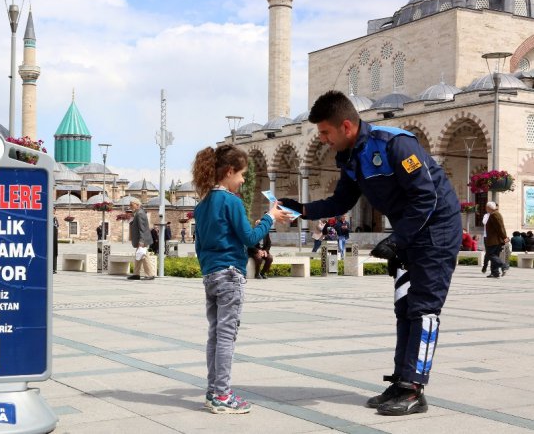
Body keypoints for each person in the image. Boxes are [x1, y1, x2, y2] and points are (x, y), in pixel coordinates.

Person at [280, 90, 461, 416]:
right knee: (405, 307)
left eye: (325, 132)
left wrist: (398, 239)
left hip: (436, 230)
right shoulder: (350, 158)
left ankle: (414, 388)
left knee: (424, 308)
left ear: (345, 126)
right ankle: (401, 380)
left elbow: (427, 197)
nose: (322, 140)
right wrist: (300, 208)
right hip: (410, 232)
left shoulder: (394, 143)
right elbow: (341, 202)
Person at [192, 144, 290, 414]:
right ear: (229, 171)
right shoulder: (231, 201)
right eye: (242, 174)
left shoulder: (202, 205)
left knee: (215, 334)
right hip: (230, 275)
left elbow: (200, 245)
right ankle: (223, 396)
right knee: (226, 336)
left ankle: (213, 392)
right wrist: (269, 218)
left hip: (211, 274)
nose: (244, 180)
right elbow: (249, 237)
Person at [127, 197, 155, 280]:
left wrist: (141, 241)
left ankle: (150, 274)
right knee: (138, 256)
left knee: (144, 256)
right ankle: (136, 274)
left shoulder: (140, 214)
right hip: (141, 239)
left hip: (142, 240)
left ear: (137, 205)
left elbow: (143, 228)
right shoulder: (138, 213)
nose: (130, 206)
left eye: (132, 205)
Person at [484, 201, 509, 278]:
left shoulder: (494, 215)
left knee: (490, 255)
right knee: (495, 255)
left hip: (494, 240)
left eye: (486, 207)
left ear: (489, 208)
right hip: (495, 240)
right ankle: (495, 273)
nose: (485, 208)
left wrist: (505, 237)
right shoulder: (493, 214)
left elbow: (500, 227)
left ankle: (503, 265)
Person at [52, 208, 59, 273]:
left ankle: (54, 268)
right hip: (51, 237)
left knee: (54, 252)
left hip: (54, 238)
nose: (53, 211)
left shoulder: (55, 218)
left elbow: (57, 226)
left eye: (54, 210)